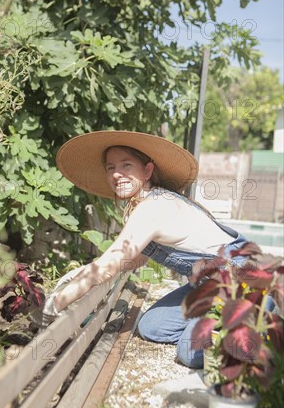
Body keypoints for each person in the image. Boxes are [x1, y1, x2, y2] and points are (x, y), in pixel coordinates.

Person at [42, 130, 247, 369]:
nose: (116, 174)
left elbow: (109, 267)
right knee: (152, 326)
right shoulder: (144, 204)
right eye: (110, 168)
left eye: (126, 165)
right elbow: (130, 260)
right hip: (209, 286)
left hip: (240, 278)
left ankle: (253, 335)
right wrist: (79, 277)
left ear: (147, 170)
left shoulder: (153, 207)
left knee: (189, 353)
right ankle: (218, 323)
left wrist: (56, 302)